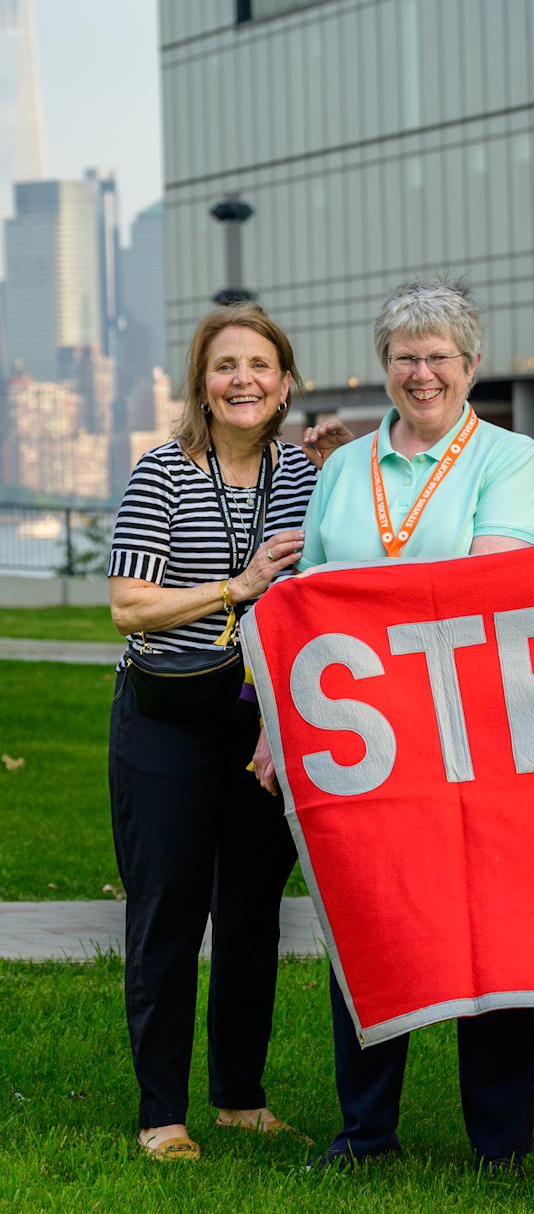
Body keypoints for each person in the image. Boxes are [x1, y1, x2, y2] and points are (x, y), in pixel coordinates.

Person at [257, 277, 534, 1175]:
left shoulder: (508, 458)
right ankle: (364, 1134)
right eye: (404, 358)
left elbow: (489, 586)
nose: (422, 375)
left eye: (438, 358)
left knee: (491, 930)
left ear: (471, 366)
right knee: (369, 924)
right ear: (383, 366)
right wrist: (278, 725)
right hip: (359, 744)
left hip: (474, 734)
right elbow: (304, 605)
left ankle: (498, 1143)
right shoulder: (343, 469)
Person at [107, 303, 316, 1161]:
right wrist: (235, 587)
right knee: (168, 912)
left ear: (285, 383)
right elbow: (126, 604)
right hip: (165, 719)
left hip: (260, 724)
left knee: (251, 915)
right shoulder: (161, 474)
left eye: (259, 366)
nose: (243, 380)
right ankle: (162, 1113)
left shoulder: (302, 477)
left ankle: (238, 1097)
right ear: (202, 382)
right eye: (225, 365)